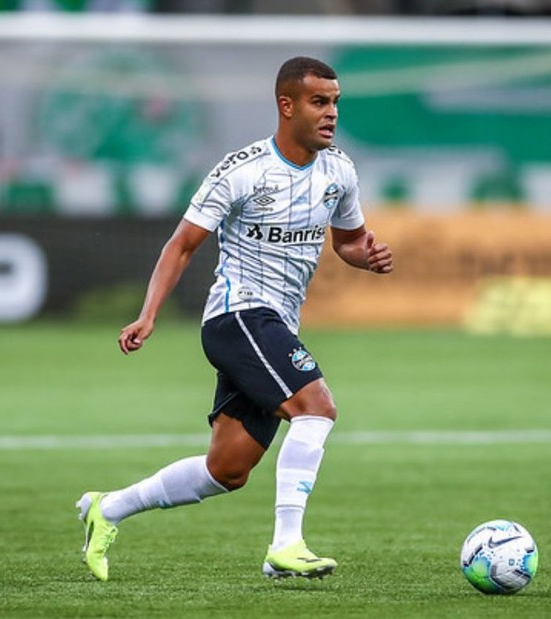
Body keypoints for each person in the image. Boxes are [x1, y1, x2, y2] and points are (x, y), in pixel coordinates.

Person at [76, 56, 394, 582]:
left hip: (275, 327)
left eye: (335, 102)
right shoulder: (242, 170)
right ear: (286, 105)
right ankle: (285, 548)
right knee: (316, 407)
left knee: (226, 470)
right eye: (319, 102)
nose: (331, 113)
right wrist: (148, 315)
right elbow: (181, 246)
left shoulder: (340, 171)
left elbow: (350, 242)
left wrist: (369, 257)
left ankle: (105, 509)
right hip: (237, 315)